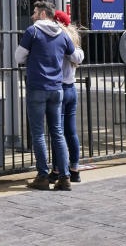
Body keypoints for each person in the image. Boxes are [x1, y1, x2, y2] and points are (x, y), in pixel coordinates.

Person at [15, 0, 80, 191]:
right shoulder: (62, 34)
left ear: (44, 14)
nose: (33, 15)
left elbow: (18, 57)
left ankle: (43, 176)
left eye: (35, 12)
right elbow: (75, 56)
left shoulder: (32, 31)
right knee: (57, 133)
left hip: (37, 87)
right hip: (57, 89)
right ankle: (65, 177)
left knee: (38, 134)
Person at [49, 10, 85, 184]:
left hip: (60, 89)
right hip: (72, 88)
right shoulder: (73, 41)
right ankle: (75, 169)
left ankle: (57, 169)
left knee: (57, 132)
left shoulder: (59, 39)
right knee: (71, 132)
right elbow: (79, 57)